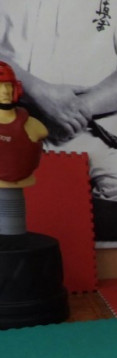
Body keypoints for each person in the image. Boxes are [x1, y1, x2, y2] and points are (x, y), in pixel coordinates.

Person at [0, 0, 117, 243]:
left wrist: (71, 112)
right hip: (21, 122)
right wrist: (40, 94)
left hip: (105, 128)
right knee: (19, 212)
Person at [0, 61, 48, 234]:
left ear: (16, 88)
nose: (5, 92)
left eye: (8, 86)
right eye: (0, 87)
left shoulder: (33, 125)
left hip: (21, 180)